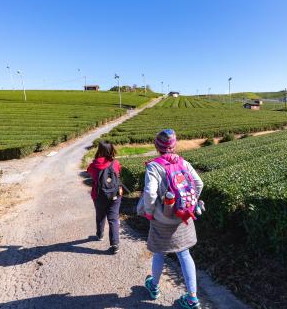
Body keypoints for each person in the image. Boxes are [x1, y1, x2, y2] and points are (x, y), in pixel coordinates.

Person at [139, 129, 204, 309]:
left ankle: (153, 286)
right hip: (183, 217)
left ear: (157, 146)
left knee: (160, 251)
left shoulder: (154, 166)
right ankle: (192, 298)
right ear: (174, 146)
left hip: (162, 220)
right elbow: (199, 183)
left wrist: (150, 212)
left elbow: (150, 193)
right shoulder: (183, 161)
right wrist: (190, 204)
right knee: (184, 253)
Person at [87, 140, 123, 254]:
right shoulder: (116, 163)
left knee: (100, 215)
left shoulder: (94, 165)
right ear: (111, 149)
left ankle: (100, 234)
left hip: (99, 195)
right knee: (113, 218)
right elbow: (118, 173)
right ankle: (115, 244)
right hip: (115, 195)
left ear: (99, 150)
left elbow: (89, 172)